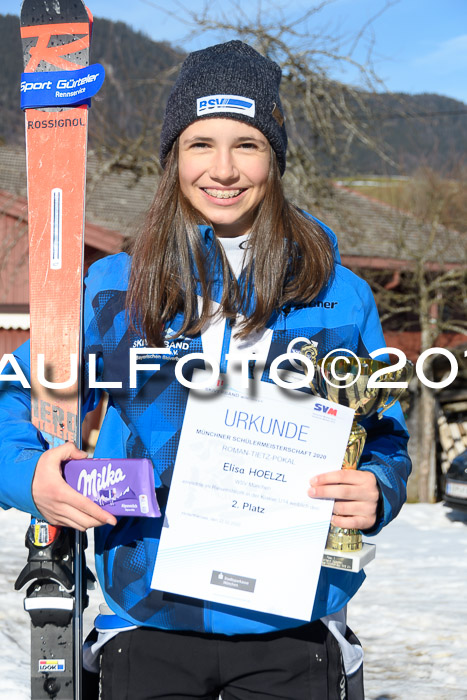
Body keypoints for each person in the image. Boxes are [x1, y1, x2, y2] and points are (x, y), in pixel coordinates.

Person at [0, 40, 410, 699]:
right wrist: (33, 477)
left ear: (273, 157)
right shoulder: (114, 289)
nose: (223, 169)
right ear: (172, 158)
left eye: (246, 144)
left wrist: (377, 489)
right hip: (146, 615)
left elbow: (383, 432)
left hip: (292, 626)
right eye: (200, 144)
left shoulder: (338, 292)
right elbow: (15, 399)